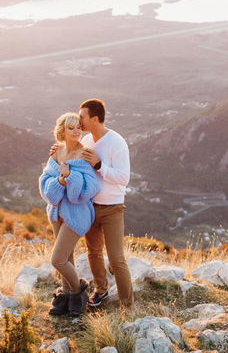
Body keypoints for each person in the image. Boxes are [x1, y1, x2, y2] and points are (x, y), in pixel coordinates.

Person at [39, 111, 102, 317]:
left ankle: (78, 291)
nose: (76, 131)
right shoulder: (57, 152)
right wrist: (61, 181)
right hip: (57, 211)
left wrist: (71, 176)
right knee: (67, 257)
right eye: (71, 128)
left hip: (77, 214)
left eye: (78, 127)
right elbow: (45, 185)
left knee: (57, 260)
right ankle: (66, 297)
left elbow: (89, 190)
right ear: (62, 132)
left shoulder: (84, 155)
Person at [77, 98, 132, 309]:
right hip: (90, 207)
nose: (79, 121)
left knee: (117, 259)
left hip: (112, 209)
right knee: (93, 252)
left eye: (82, 117)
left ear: (95, 118)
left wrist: (99, 165)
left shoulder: (116, 142)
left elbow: (123, 178)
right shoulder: (88, 141)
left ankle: (128, 306)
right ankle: (101, 290)